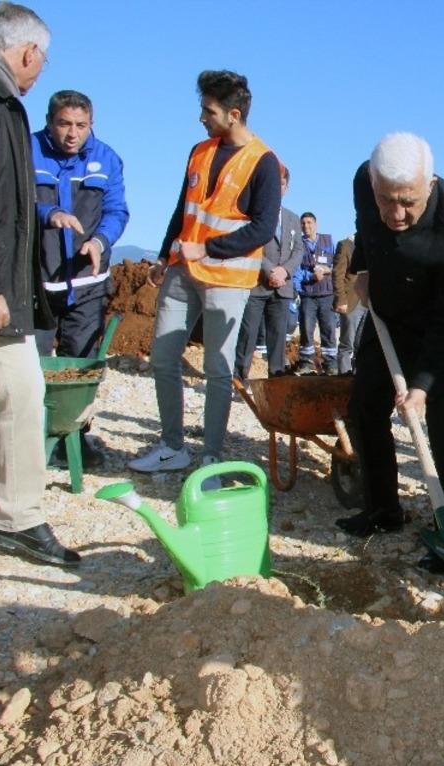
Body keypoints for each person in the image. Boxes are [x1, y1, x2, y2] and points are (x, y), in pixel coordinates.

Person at [338, 132, 444, 576]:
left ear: (429, 185)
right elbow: (364, 225)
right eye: (386, 200)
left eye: (408, 202)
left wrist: (423, 386)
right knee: (365, 407)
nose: (396, 212)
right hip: (388, 312)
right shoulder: (364, 184)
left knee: (442, 420)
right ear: (373, 183)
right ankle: (383, 509)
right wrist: (362, 268)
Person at [129, 70, 281, 483]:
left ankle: (210, 457)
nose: (201, 117)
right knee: (162, 358)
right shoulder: (199, 151)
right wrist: (164, 255)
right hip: (181, 272)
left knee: (217, 368)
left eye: (208, 110)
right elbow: (183, 210)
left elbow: (264, 227)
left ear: (234, 114)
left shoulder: (264, 162)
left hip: (227, 280)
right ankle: (172, 447)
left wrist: (209, 248)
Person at [0, 1, 80, 572]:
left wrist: (43, 214)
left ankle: (16, 518)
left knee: (25, 390)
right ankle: (14, 517)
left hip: (0, 290)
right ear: (26, 51)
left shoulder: (1, 102)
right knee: (21, 387)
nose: (40, 68)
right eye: (41, 57)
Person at [31, 88, 128, 468]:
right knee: (32, 367)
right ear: (50, 123)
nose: (73, 134)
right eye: (65, 124)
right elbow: (11, 200)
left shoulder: (107, 159)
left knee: (79, 366)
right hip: (36, 282)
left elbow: (118, 210)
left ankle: (75, 437)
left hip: (86, 284)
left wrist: (100, 241)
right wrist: (48, 214)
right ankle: (31, 437)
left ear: (92, 125)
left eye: (81, 126)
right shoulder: (27, 150)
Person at [234, 165, 301, 382]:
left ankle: (276, 381)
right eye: (275, 183)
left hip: (283, 287)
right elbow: (251, 244)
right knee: (248, 335)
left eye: (282, 184)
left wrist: (284, 271)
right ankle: (239, 380)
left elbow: (298, 250)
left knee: (278, 337)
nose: (278, 187)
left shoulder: (293, 218)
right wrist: (270, 269)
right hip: (257, 284)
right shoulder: (254, 214)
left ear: (287, 187)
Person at [294, 212, 337, 375]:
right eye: (303, 223)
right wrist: (310, 276)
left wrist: (329, 270)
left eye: (309, 223)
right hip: (308, 295)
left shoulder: (327, 240)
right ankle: (306, 362)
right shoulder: (298, 244)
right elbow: (296, 271)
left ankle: (331, 364)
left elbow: (337, 265)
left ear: (316, 224)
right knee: (306, 328)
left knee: (329, 329)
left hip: (327, 294)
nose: (306, 226)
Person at [331, 234, 363, 376]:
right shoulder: (345, 245)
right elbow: (338, 274)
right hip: (351, 301)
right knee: (347, 344)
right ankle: (343, 376)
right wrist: (341, 299)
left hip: (368, 303)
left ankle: (358, 378)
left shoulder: (373, 242)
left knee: (362, 345)